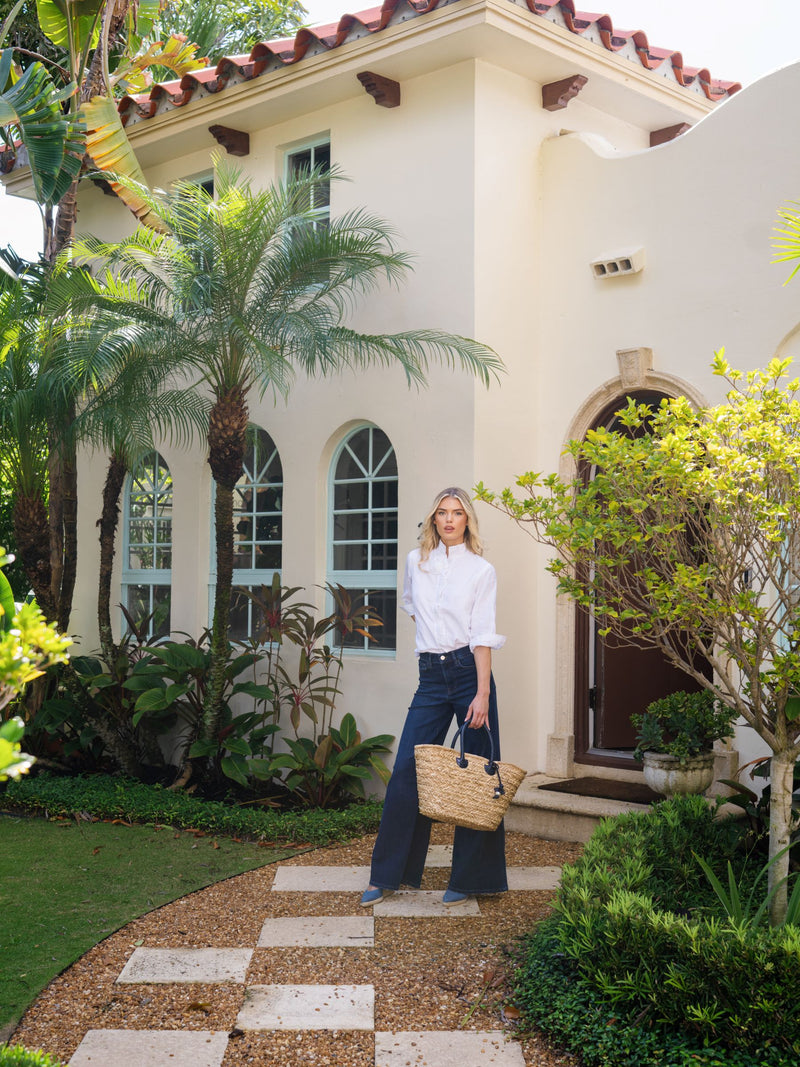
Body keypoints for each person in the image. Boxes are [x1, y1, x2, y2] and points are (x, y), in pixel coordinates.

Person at [361, 486, 507, 908]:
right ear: (433, 519)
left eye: (457, 513)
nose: (448, 520)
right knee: (408, 768)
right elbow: (412, 605)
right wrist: (434, 644)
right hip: (430, 674)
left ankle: (473, 879)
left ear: (467, 521)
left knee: (479, 773)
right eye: (442, 512)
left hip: (469, 675)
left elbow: (482, 636)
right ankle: (388, 875)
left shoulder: (481, 570)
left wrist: (481, 693)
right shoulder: (415, 562)